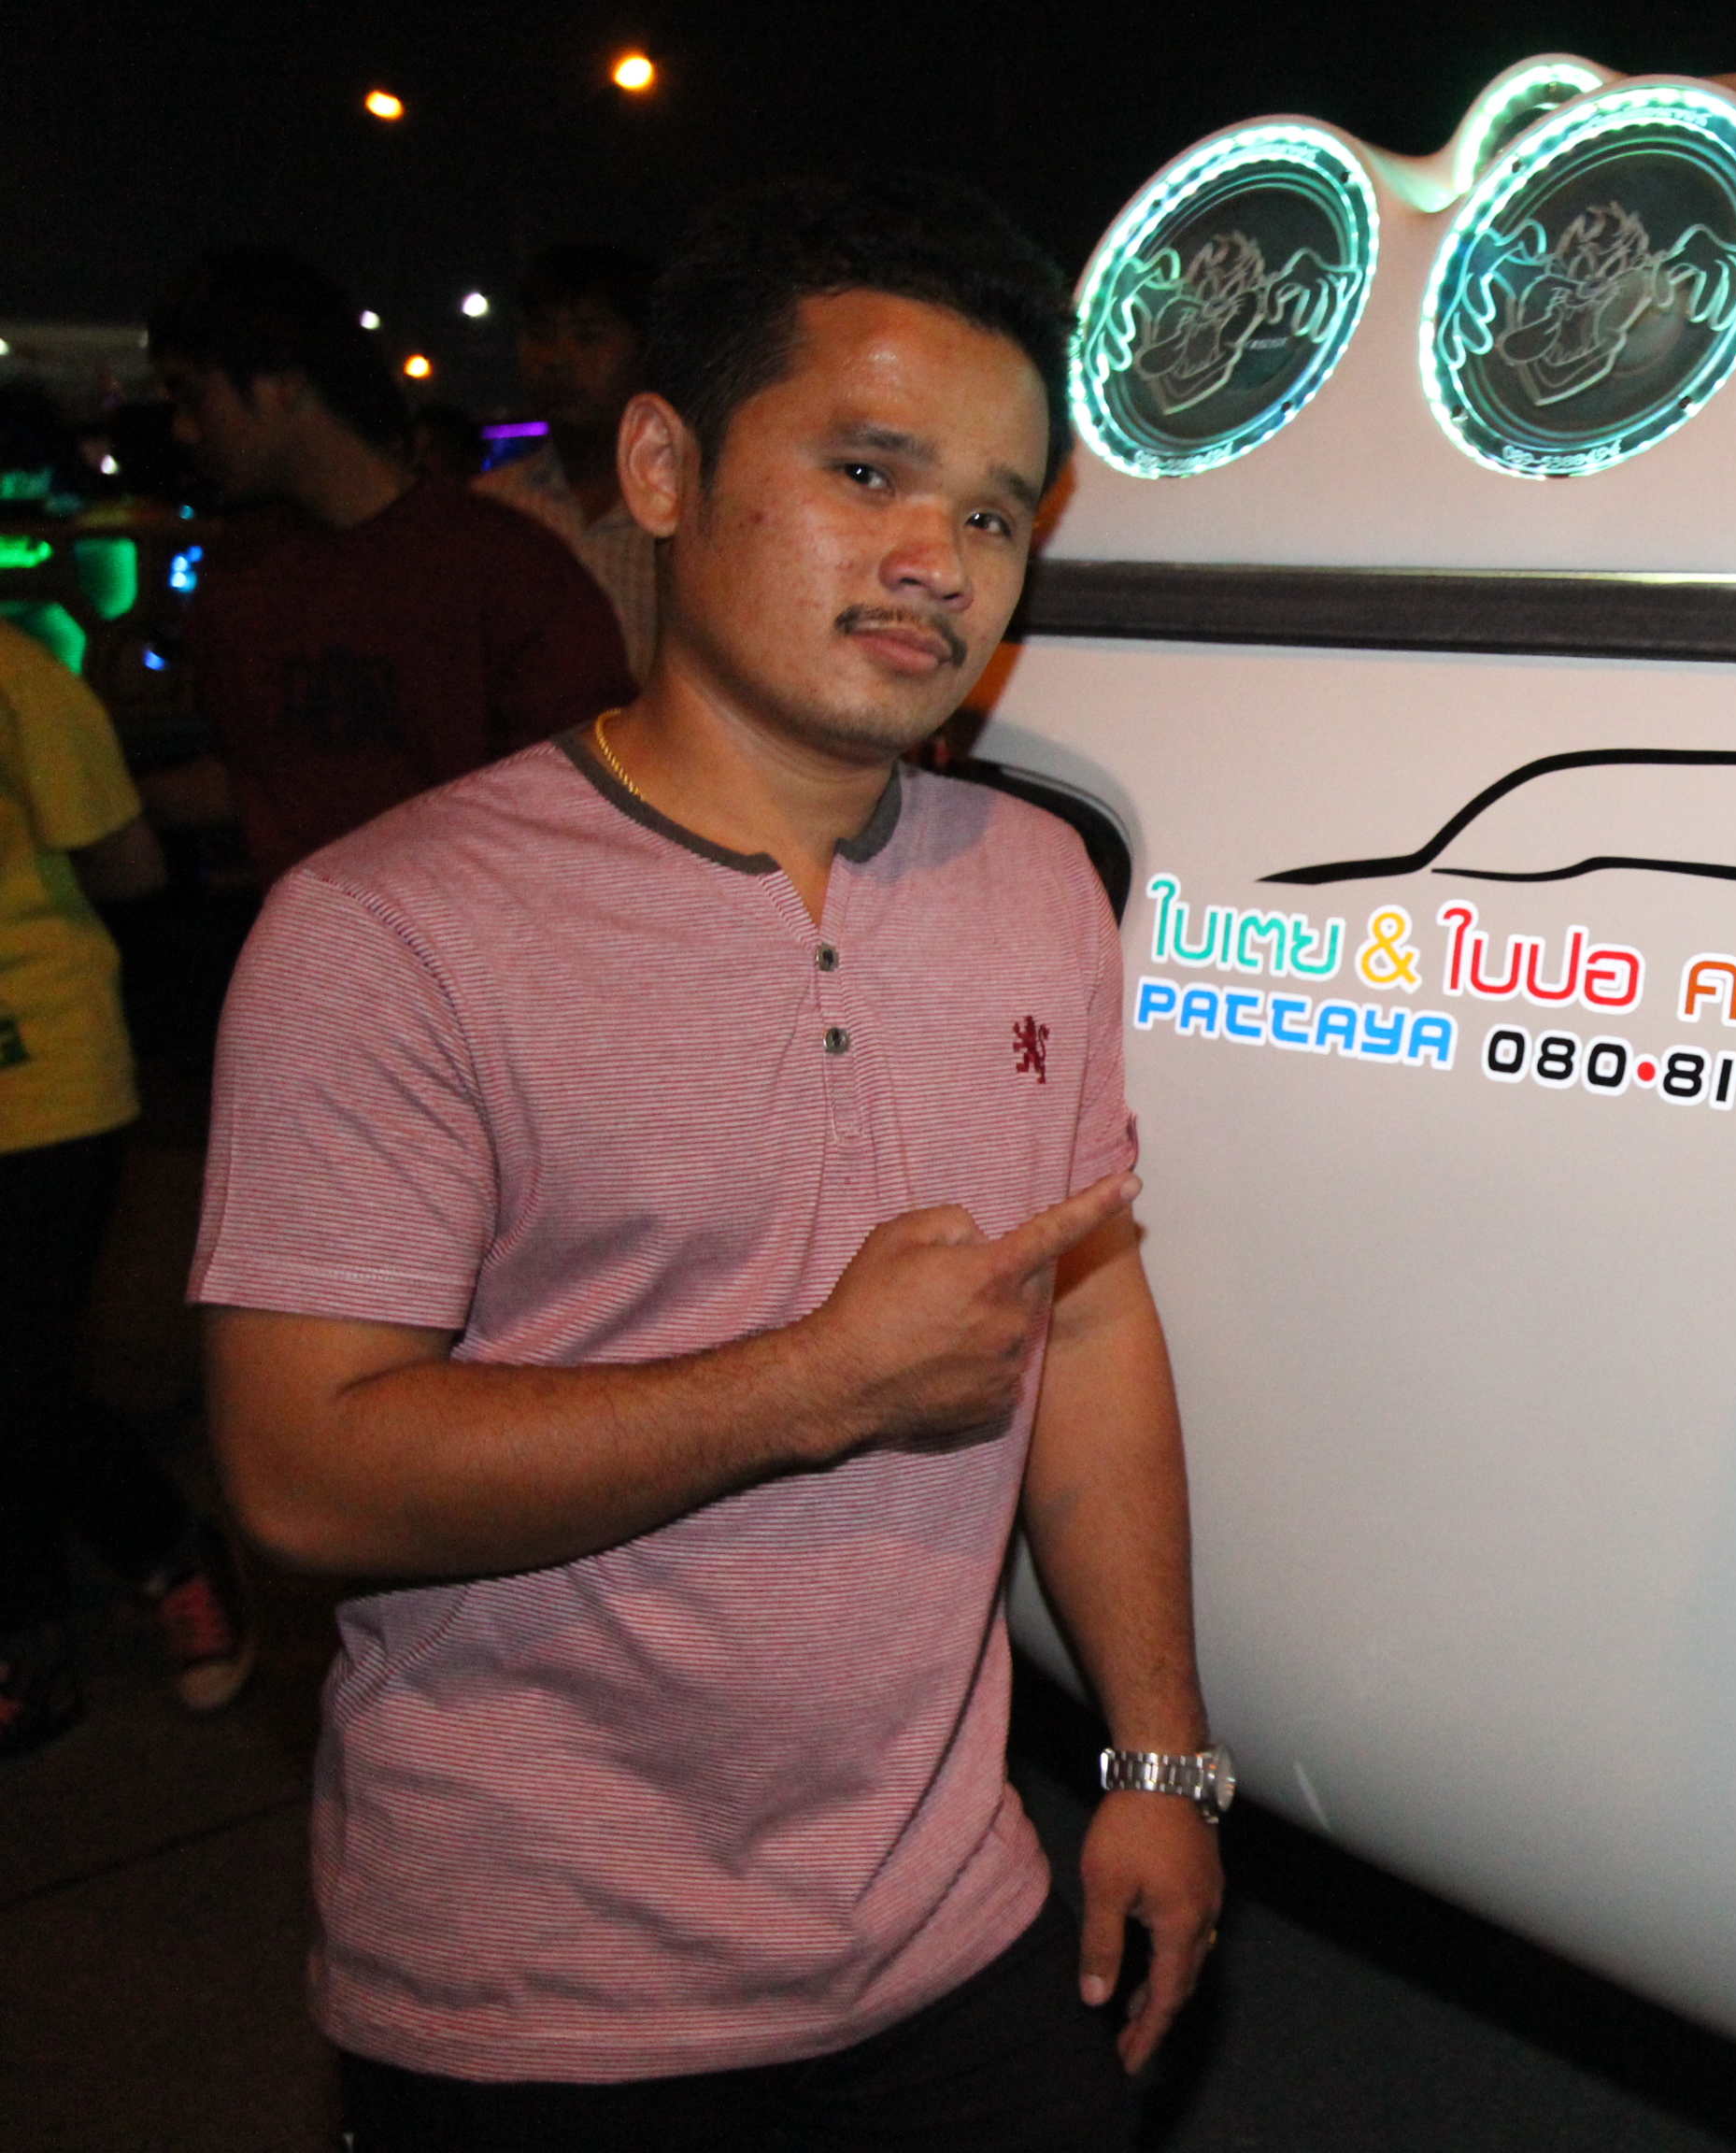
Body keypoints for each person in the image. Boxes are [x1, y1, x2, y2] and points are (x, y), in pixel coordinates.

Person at [191, 175, 1218, 2149]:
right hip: (541, 2002)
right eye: (867, 470)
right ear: (661, 467)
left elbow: (1087, 1330)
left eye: (996, 514)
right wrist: (815, 1383)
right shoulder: (391, 927)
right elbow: (301, 1472)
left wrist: (1161, 1761)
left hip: (955, 1925)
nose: (935, 560)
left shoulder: (1036, 882)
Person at [149, 248, 633, 883]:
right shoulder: (242, 572)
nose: (183, 429)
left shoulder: (503, 569)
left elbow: (582, 801)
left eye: (193, 395)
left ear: (283, 383)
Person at [0, 619, 248, 1758]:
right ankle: (104, 1585)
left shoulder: (18, 679)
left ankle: (139, 1570)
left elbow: (127, 860)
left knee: (17, 1373)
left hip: (42, 1081)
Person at [477, 243, 662, 674]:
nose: (557, 359)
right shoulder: (493, 509)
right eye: (541, 334)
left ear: (646, 351)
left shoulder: (691, 512)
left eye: (588, 336)